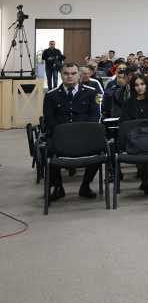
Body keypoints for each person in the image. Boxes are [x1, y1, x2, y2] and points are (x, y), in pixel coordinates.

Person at [42, 62, 102, 201]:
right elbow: (49, 118)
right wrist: (61, 133)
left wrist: (84, 132)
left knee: (99, 149)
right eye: (66, 73)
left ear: (79, 76)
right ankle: (58, 187)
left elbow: (95, 115)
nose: (70, 76)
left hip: (84, 135)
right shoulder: (51, 95)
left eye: (73, 73)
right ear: (61, 75)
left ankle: (85, 185)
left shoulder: (90, 92)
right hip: (60, 136)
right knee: (47, 150)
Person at [119, 75, 148, 195]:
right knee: (139, 149)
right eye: (137, 85)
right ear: (132, 87)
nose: (140, 88)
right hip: (134, 138)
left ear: (147, 86)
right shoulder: (127, 103)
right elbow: (125, 123)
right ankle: (147, 180)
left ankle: (146, 179)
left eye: (142, 84)